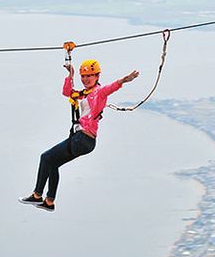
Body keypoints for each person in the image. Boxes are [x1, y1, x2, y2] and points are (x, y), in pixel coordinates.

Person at [19, 59, 139, 212]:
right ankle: (49, 202)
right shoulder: (82, 94)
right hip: (80, 140)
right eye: (83, 76)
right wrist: (71, 74)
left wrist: (124, 80)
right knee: (52, 164)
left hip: (82, 139)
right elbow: (66, 92)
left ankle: (37, 195)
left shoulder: (98, 92)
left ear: (97, 76)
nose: (85, 79)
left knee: (46, 157)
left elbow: (111, 88)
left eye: (89, 76)